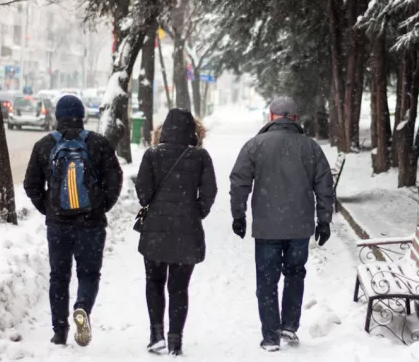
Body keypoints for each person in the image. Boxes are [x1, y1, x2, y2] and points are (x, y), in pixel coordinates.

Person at [229, 96, 334, 352]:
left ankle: (270, 336)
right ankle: (289, 326)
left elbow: (239, 182)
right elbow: (324, 185)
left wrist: (239, 215)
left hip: (267, 227)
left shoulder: (255, 145)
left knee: (267, 280)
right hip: (300, 226)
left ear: (271, 116)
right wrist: (324, 220)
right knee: (295, 274)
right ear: (295, 118)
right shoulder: (310, 147)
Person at [24, 94, 123, 347]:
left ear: (58, 117)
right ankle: (82, 308)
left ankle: (59, 330)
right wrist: (101, 207)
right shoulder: (98, 143)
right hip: (91, 223)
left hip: (58, 225)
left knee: (59, 276)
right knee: (88, 274)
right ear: (82, 116)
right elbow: (115, 179)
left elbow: (31, 184)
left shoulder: (45, 145)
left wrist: (49, 208)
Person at [135, 109, 217, 356]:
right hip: (187, 231)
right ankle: (175, 341)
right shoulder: (201, 156)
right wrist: (195, 212)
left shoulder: (152, 155)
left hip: (154, 233)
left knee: (155, 282)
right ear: (192, 130)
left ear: (165, 128)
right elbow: (209, 192)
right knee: (179, 288)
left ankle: (156, 334)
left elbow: (143, 193)